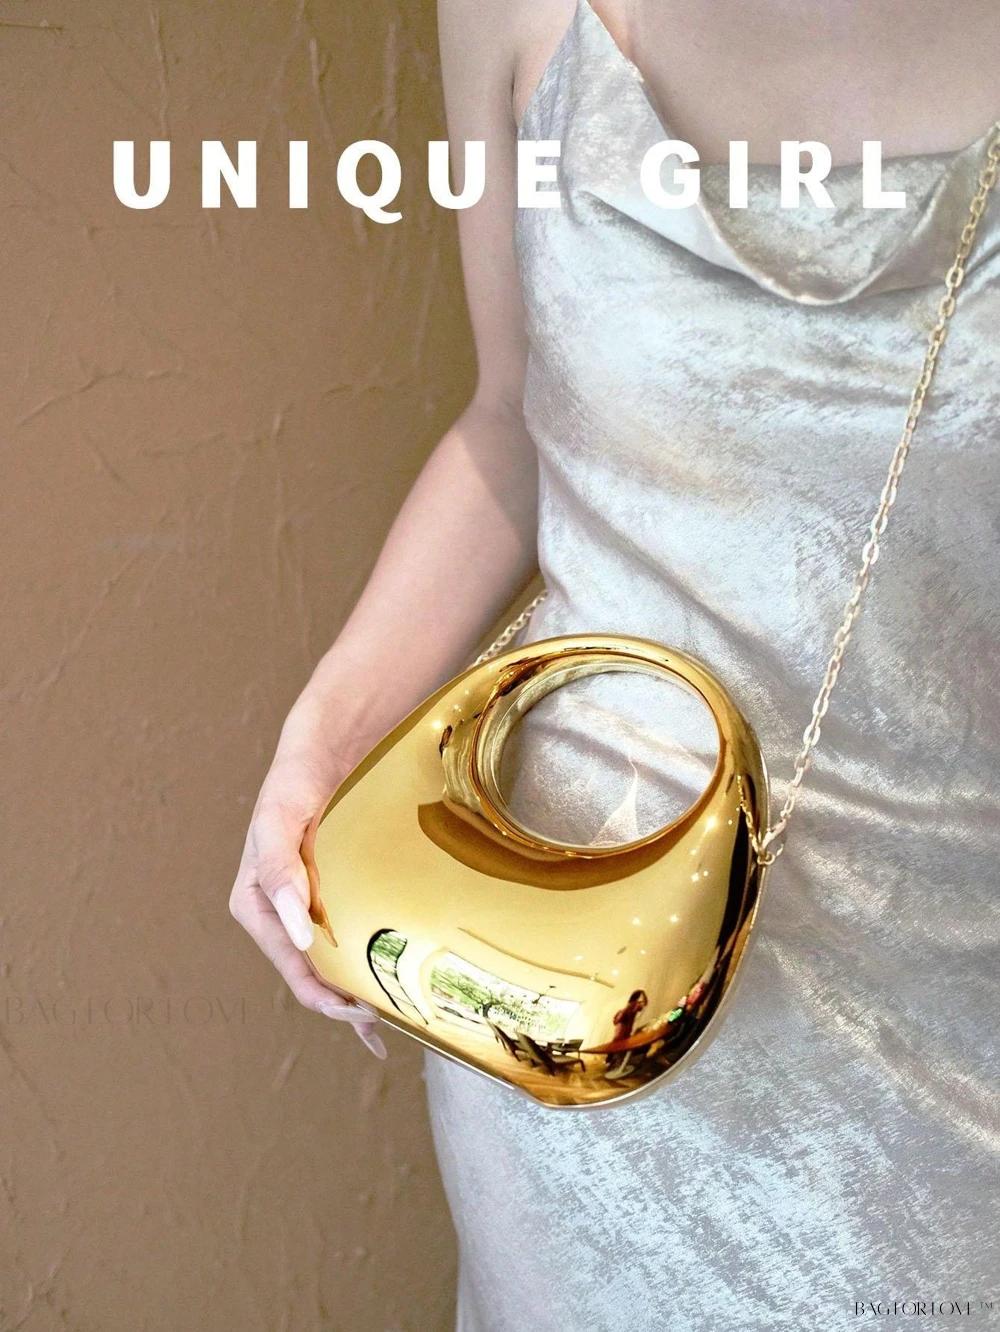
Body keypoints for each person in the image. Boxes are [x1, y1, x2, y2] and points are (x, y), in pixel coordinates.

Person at [230, 1, 1000, 1326]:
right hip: (569, 977)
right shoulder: (512, 13)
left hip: (954, 985)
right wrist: (327, 734)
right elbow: (509, 419)